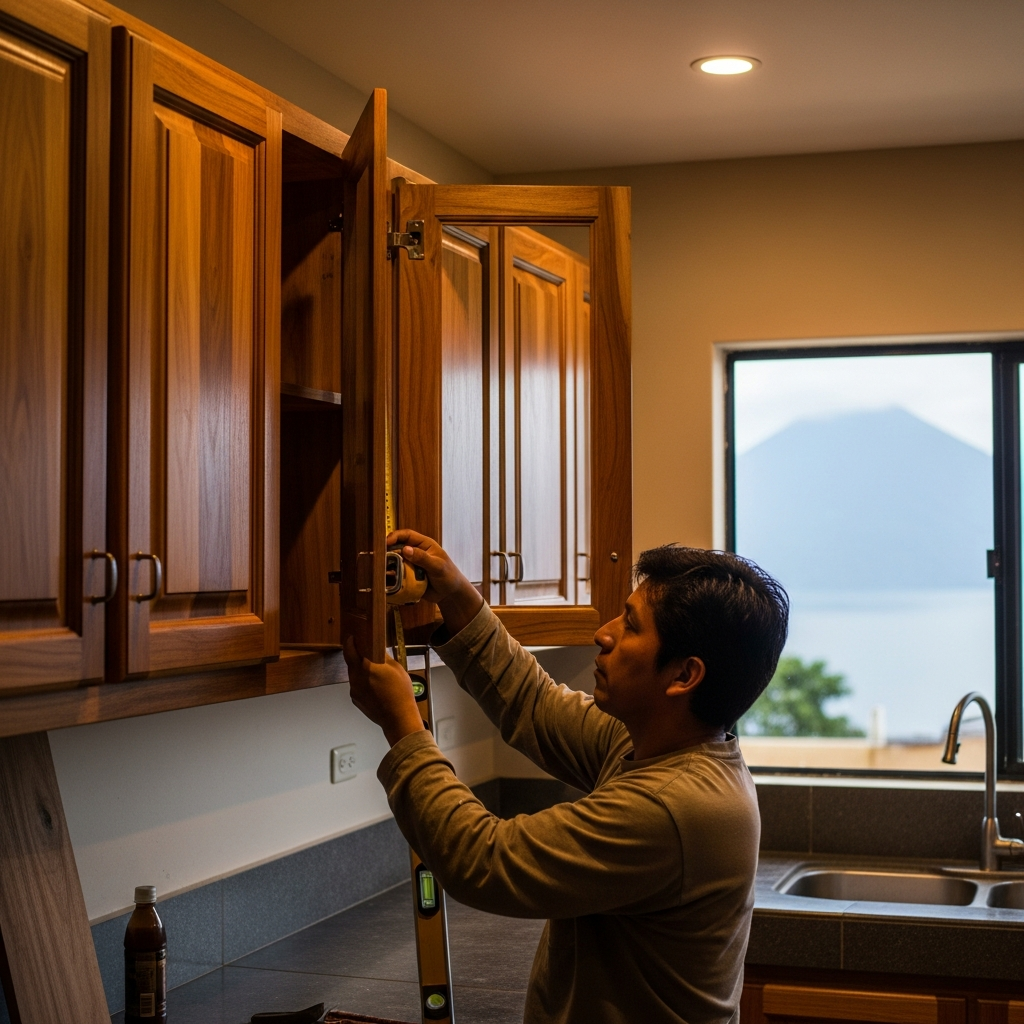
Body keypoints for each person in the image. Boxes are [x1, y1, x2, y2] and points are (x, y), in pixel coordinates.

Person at [343, 529, 789, 1024]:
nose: (604, 633)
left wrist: (404, 727)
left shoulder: (672, 805)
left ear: (684, 676)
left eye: (631, 626)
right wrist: (457, 594)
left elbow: (483, 860)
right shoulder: (663, 745)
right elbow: (533, 704)